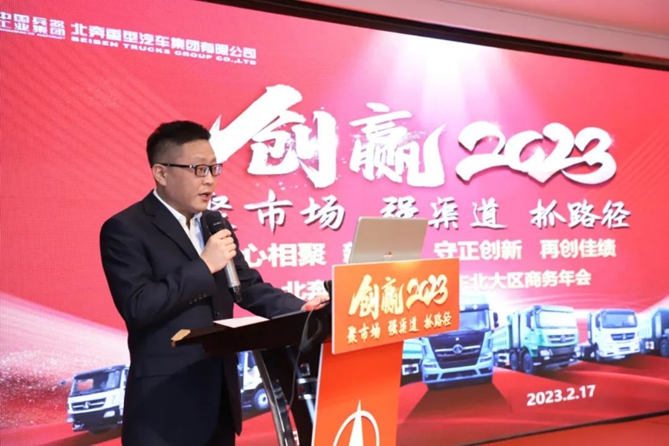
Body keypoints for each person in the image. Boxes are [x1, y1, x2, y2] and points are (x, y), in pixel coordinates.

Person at [99, 120, 329, 446]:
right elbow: (138, 306)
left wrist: (301, 308)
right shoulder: (126, 228)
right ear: (161, 173)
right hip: (164, 407)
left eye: (214, 168)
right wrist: (205, 265)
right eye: (198, 169)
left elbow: (246, 286)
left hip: (220, 398)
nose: (209, 180)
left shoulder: (213, 223)